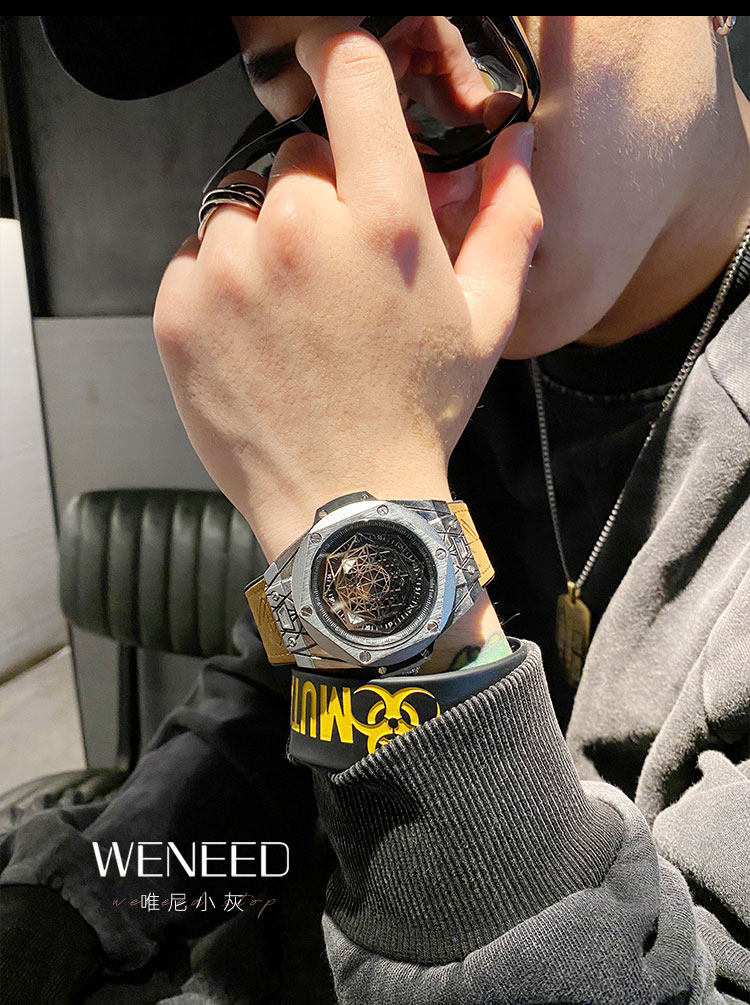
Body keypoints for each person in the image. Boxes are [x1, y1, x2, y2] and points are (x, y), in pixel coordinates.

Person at [1, 14, 749, 1004]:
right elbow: (278, 711)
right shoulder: (425, 349)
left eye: (470, 30)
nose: (394, 167)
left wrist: (372, 536)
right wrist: (84, 899)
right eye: (310, 101)